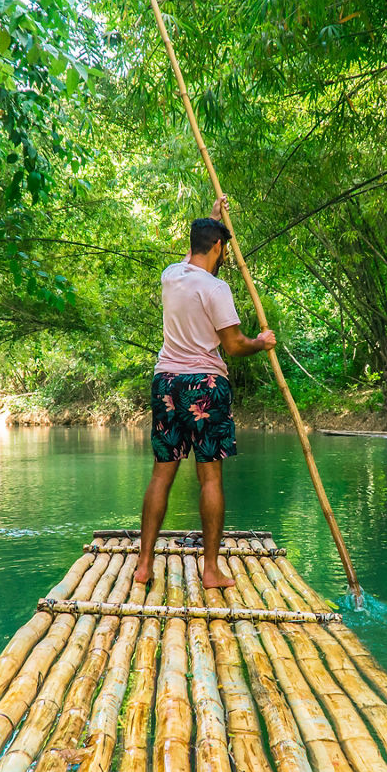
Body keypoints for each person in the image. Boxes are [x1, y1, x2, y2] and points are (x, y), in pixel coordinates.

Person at [134, 195, 276, 589]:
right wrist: (262, 342)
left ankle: (144, 564)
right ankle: (210, 570)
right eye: (223, 247)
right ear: (219, 247)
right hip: (204, 384)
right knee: (209, 478)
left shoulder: (171, 274)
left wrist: (212, 221)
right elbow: (233, 345)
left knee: (161, 476)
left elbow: (191, 255)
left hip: (165, 382)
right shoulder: (216, 289)